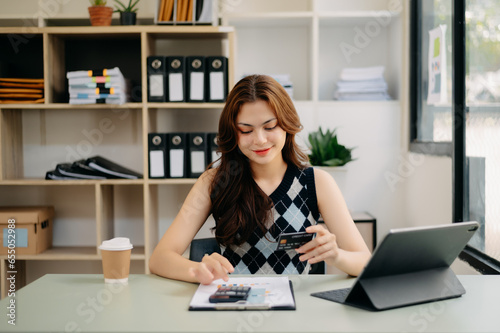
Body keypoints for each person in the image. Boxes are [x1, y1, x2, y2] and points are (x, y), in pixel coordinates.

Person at [149, 74, 371, 285]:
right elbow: (159, 258)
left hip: (295, 312)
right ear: (233, 133)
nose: (260, 140)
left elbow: (364, 261)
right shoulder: (214, 181)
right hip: (234, 306)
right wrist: (197, 271)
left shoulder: (317, 182)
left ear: (286, 124)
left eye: (270, 126)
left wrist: (337, 256)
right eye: (246, 131)